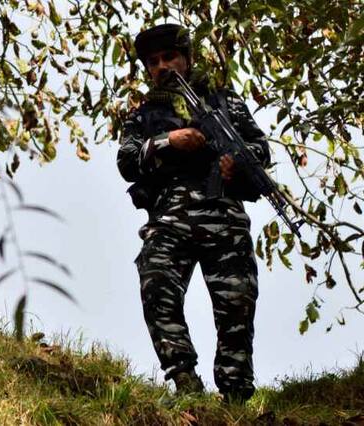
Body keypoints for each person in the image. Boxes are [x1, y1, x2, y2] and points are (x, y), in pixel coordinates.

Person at [116, 23, 271, 403]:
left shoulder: (224, 101)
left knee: (237, 305)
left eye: (169, 57)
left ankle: (235, 399)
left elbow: (260, 148)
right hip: (170, 219)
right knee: (157, 286)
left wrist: (238, 162)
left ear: (187, 58)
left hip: (225, 217)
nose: (162, 66)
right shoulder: (143, 114)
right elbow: (127, 161)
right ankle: (184, 380)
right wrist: (168, 141)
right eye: (153, 62)